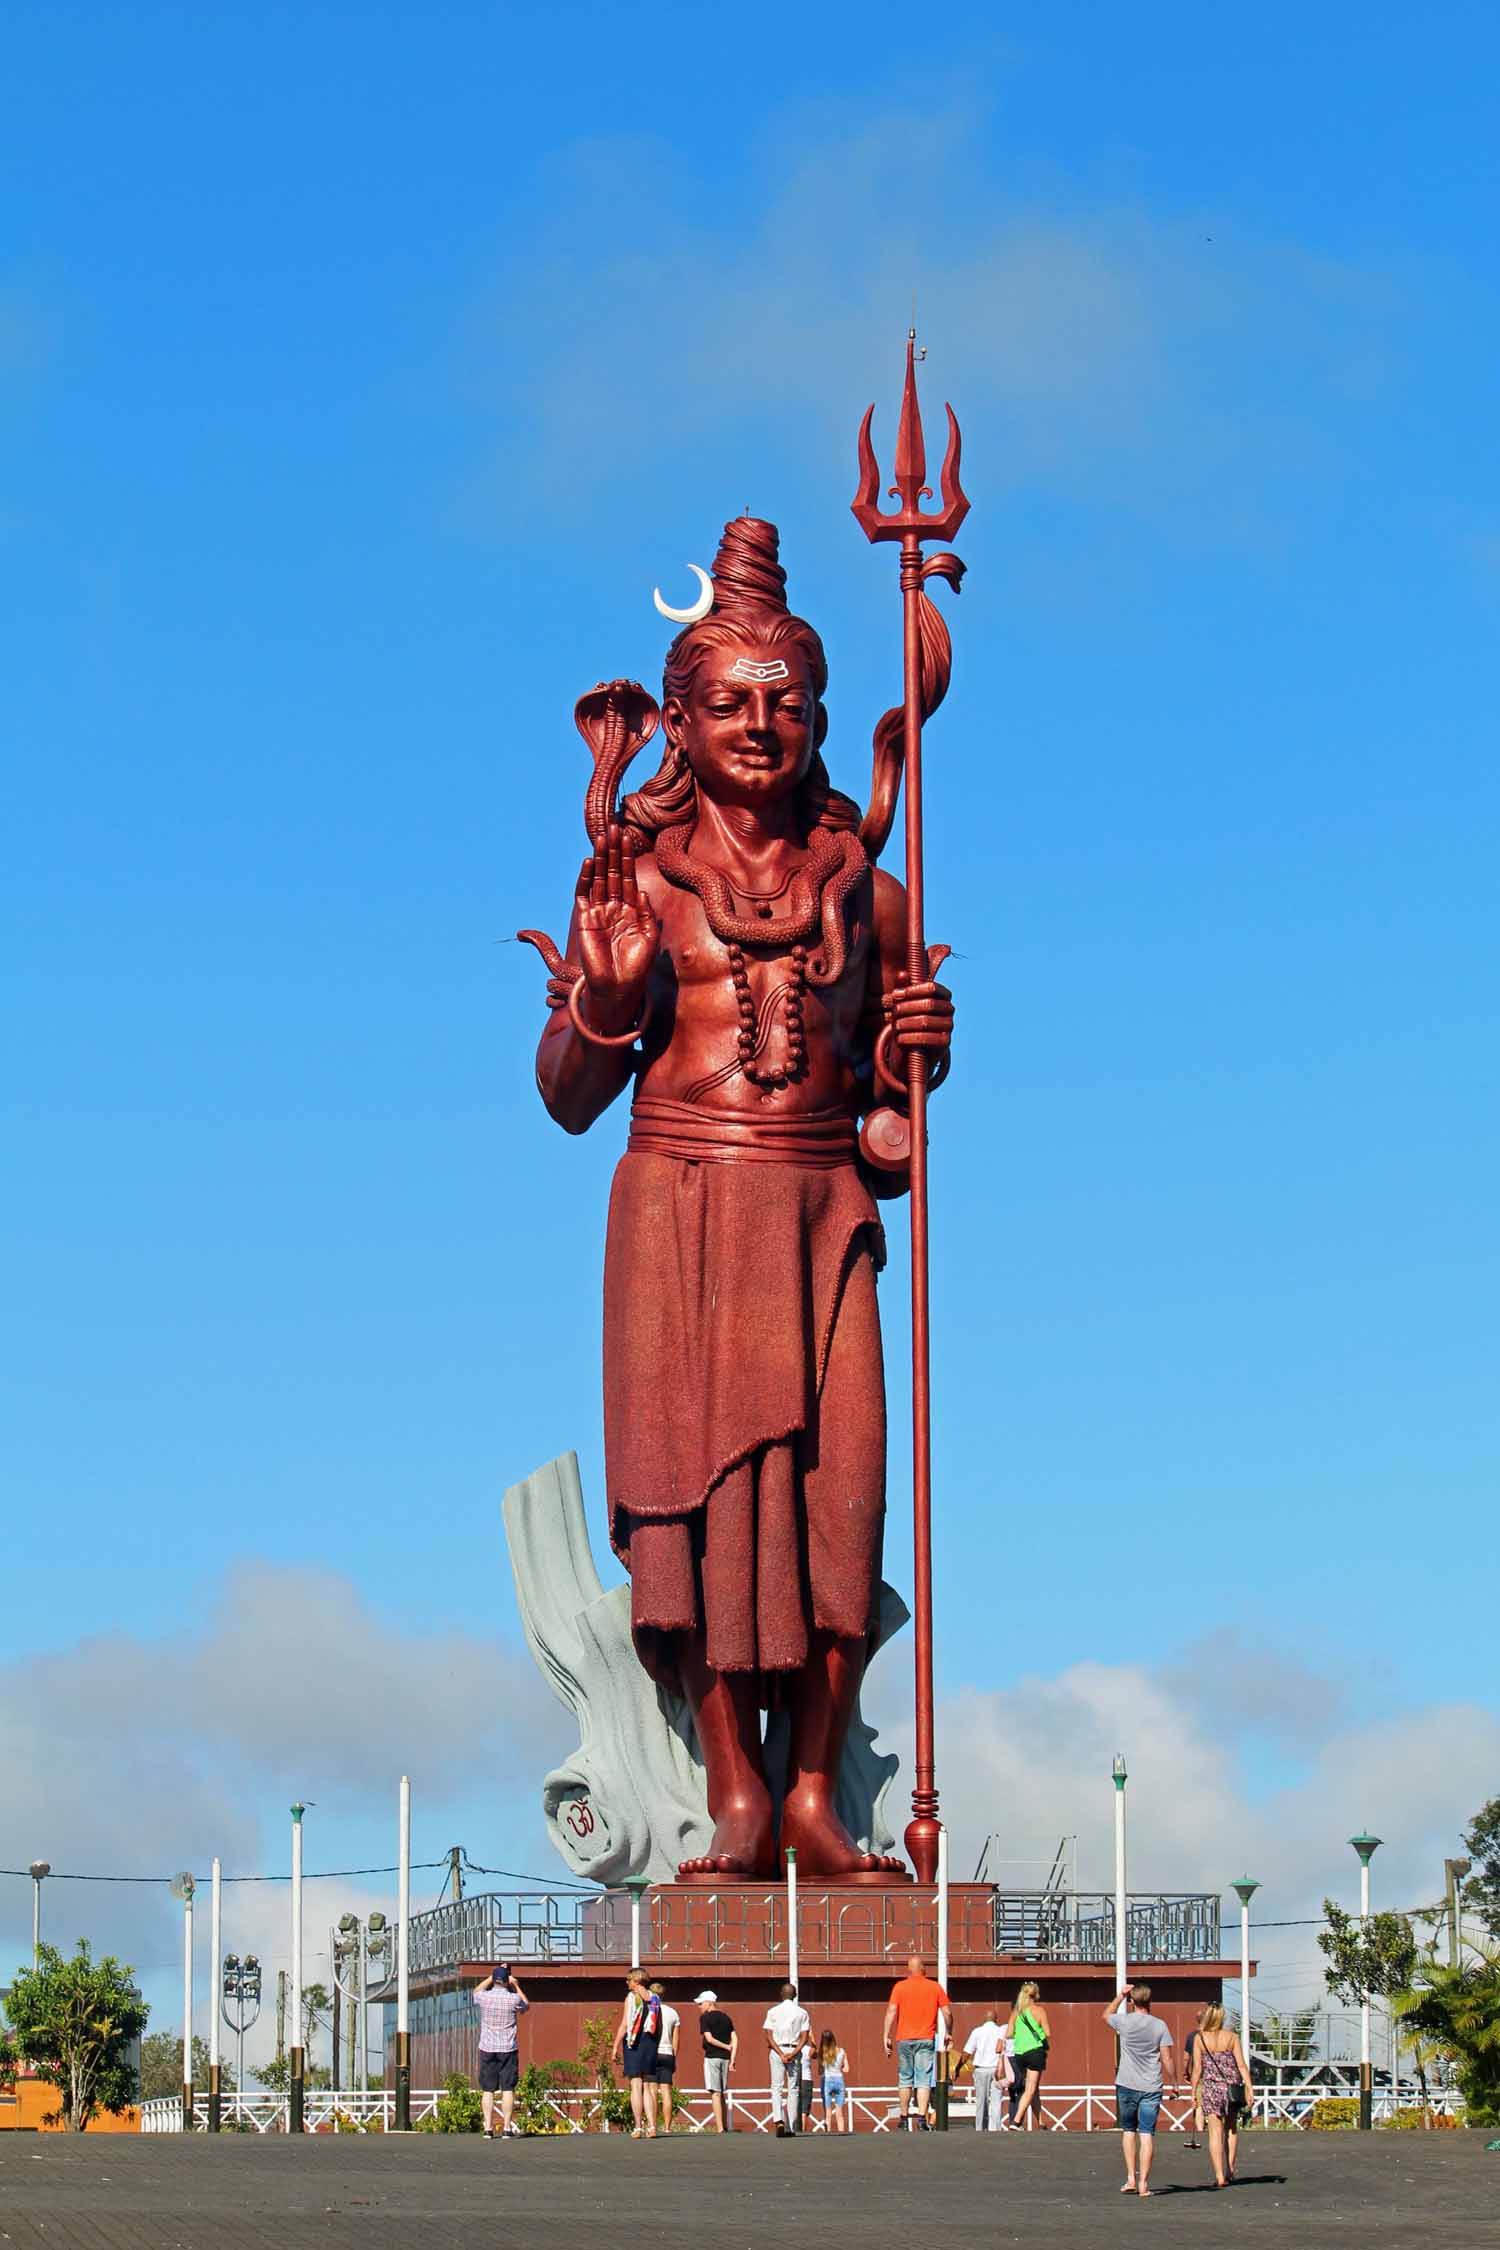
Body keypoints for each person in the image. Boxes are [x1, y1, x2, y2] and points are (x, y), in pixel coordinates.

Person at [529, 516, 955, 1882]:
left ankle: (817, 1788)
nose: (761, 725)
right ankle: (737, 1793)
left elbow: (894, 1111)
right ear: (680, 717)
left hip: (821, 1205)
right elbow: (566, 1094)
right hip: (682, 1208)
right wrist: (600, 1001)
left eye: (788, 702)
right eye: (730, 703)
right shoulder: (638, 879)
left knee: (844, 1500)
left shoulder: (873, 895)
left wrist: (918, 1056)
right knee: (697, 1517)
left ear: (822, 718)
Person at [1105, 1983, 1177, 2198]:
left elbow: (1106, 2014)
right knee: (1146, 2134)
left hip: (1127, 2082)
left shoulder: (1125, 2021)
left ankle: (1130, 2178)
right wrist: (1174, 2082)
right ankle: (1144, 2183)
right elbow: (1167, 2058)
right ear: (1150, 2000)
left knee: (1128, 2131)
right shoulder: (1160, 2026)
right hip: (1151, 2085)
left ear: (1132, 2002)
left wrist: (1120, 1996)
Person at [882, 1954, 952, 2131]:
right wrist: (949, 2032)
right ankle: (922, 2118)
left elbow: (891, 2011)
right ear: (923, 1968)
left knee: (905, 2079)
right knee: (923, 2079)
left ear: (909, 1969)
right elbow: (947, 2013)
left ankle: (904, 2118)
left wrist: (885, 2035)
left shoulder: (900, 1987)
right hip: (926, 2038)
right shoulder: (934, 1987)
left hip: (904, 2039)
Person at [1188, 2004, 1253, 2189]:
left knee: (1214, 2132)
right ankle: (1230, 2169)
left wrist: (1193, 2092)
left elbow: (1197, 2069)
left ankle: (1219, 2175)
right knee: (1231, 2129)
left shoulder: (1199, 2039)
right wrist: (1249, 2087)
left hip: (1211, 2088)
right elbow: (1241, 2065)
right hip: (1231, 2089)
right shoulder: (1232, 2037)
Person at [472, 1962, 529, 2140]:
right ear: (506, 1981)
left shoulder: (485, 1997)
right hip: (507, 2048)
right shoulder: (513, 1999)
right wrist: (515, 1985)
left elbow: (475, 1992)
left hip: (487, 2047)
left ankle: (488, 2128)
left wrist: (490, 1977)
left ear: (494, 1980)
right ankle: (506, 2128)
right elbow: (526, 2005)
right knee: (507, 2089)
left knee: (488, 2090)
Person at [611, 1970, 663, 2139]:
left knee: (635, 2084)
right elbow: (658, 2025)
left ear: (636, 1981)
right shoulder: (655, 1999)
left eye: (628, 1980)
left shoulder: (631, 1998)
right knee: (647, 2085)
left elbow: (625, 2024)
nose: (627, 1983)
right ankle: (652, 2126)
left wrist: (615, 2046)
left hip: (633, 2042)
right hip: (650, 2042)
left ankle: (638, 2126)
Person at [764, 1981, 812, 2137]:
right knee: (794, 2089)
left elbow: (769, 2036)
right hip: (794, 2050)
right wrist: (793, 2053)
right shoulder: (802, 2013)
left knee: (776, 2087)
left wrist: (780, 2052)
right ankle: (791, 2125)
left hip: (777, 2050)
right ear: (795, 1995)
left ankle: (779, 2120)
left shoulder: (772, 2011)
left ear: (781, 1994)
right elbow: (805, 2037)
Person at [1010, 1982, 1051, 2130]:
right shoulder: (1039, 2011)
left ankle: (1040, 2121)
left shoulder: (1017, 2012)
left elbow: (1009, 2033)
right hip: (1035, 2052)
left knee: (1033, 2088)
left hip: (1020, 2054)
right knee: (1031, 2088)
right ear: (1036, 1995)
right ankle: (1017, 2121)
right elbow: (1047, 2033)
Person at [696, 1989, 737, 2133]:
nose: (699, 2006)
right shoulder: (727, 2017)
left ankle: (720, 2128)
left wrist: (726, 2046)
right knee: (722, 2093)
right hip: (725, 2059)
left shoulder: (705, 2018)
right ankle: (724, 2126)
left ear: (709, 2003)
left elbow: (709, 2039)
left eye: (701, 2003)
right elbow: (735, 2039)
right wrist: (732, 2058)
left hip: (712, 2057)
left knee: (715, 2093)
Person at [959, 2009, 1006, 2132]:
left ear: (984, 2019)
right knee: (996, 2101)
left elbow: (967, 2053)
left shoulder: (977, 2032)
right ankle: (995, 2129)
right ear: (996, 2019)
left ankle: (980, 2128)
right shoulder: (1001, 2031)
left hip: (981, 2069)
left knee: (981, 2101)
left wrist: (958, 2068)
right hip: (997, 2069)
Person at [650, 1982, 680, 2135]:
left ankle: (653, 2125)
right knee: (666, 2090)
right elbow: (676, 2039)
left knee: (652, 2090)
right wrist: (674, 2056)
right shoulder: (673, 2013)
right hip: (668, 2053)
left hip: (652, 2053)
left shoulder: (649, 2010)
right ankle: (668, 2127)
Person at [816, 2030, 850, 2133]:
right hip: (839, 2080)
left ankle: (828, 2135)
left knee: (828, 2113)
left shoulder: (822, 2053)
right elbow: (846, 2069)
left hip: (827, 2081)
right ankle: (841, 2133)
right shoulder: (842, 2051)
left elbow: (819, 2071)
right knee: (839, 2113)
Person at [1184, 2004, 1207, 2149]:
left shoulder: (1192, 2036)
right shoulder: (1216, 2035)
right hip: (1214, 2074)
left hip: (1197, 2074)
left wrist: (1185, 2071)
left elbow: (1186, 2057)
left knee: (1198, 2104)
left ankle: (1200, 2131)